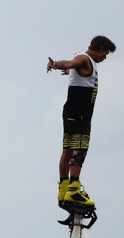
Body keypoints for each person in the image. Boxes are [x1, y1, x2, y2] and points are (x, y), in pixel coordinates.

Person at [46, 35, 116, 209]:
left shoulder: (85, 63)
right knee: (80, 150)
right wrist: (56, 64)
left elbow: (72, 68)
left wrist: (69, 70)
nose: (105, 58)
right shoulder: (84, 59)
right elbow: (69, 63)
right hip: (80, 114)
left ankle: (63, 190)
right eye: (105, 54)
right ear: (99, 48)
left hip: (71, 112)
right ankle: (74, 190)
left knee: (68, 150)